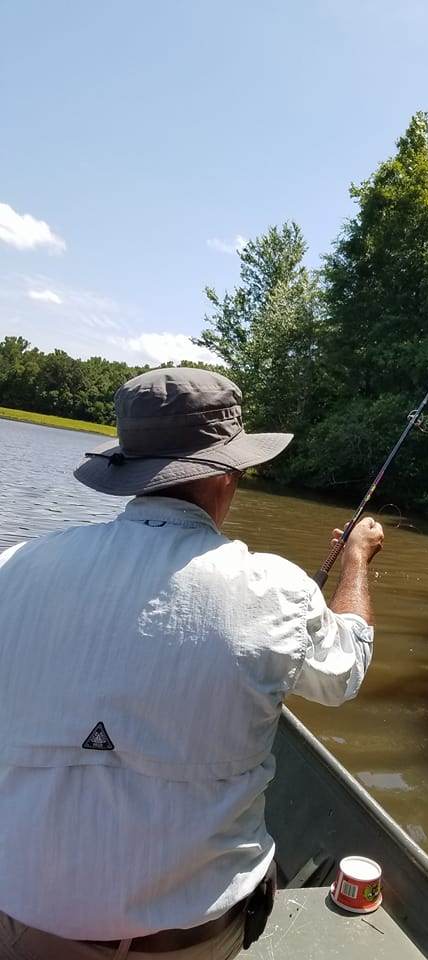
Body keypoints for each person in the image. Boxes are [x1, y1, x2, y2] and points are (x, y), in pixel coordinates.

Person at [0, 367, 384, 959]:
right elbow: (344, 674)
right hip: (187, 941)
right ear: (229, 475)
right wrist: (355, 560)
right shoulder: (277, 590)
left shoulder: (13, 566)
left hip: (21, 924)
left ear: (127, 472)